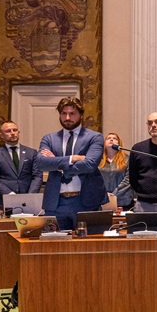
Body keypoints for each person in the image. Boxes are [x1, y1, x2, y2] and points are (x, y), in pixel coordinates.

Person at [36, 97, 108, 230]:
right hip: (56, 203)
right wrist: (72, 158)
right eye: (64, 113)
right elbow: (41, 163)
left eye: (72, 113)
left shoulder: (94, 137)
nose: (67, 117)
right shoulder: (49, 139)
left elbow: (90, 165)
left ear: (81, 115)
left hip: (86, 201)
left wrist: (56, 163)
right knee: (55, 246)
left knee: (88, 246)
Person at [0, 120, 42, 207]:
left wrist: (31, 195)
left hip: (28, 198)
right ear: (1, 135)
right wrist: (10, 194)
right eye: (8, 131)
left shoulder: (31, 153)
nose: (12, 133)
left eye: (14, 130)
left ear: (18, 132)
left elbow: (37, 176)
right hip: (5, 200)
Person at [99, 132, 134, 210]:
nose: (111, 139)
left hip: (123, 200)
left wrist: (114, 194)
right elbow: (94, 179)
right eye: (108, 138)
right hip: (102, 199)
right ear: (104, 143)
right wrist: (104, 193)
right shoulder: (98, 160)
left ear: (119, 143)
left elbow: (128, 179)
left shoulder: (127, 159)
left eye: (115, 138)